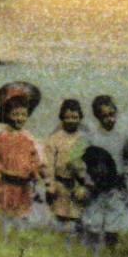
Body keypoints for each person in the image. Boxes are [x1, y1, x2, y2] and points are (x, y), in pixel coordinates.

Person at [81, 94, 128, 251]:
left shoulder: (122, 138)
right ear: (98, 117)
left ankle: (111, 253)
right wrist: (87, 180)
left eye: (112, 114)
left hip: (116, 186)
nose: (109, 119)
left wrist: (126, 175)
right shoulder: (92, 138)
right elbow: (82, 161)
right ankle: (91, 254)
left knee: (114, 220)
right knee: (94, 220)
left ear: (116, 112)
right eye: (104, 116)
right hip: (96, 187)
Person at [0, 82, 43, 227]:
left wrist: (35, 174)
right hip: (5, 186)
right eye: (15, 114)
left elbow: (35, 160)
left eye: (23, 114)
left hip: (23, 187)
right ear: (8, 115)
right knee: (2, 220)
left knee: (21, 221)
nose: (20, 118)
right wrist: (3, 172)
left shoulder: (29, 139)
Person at [41, 99, 91, 234]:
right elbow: (48, 164)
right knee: (60, 217)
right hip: (60, 184)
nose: (71, 121)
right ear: (62, 118)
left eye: (75, 117)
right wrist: (50, 184)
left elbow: (91, 164)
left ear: (80, 118)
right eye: (67, 117)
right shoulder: (54, 139)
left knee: (77, 219)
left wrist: (86, 184)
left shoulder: (85, 140)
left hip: (78, 185)